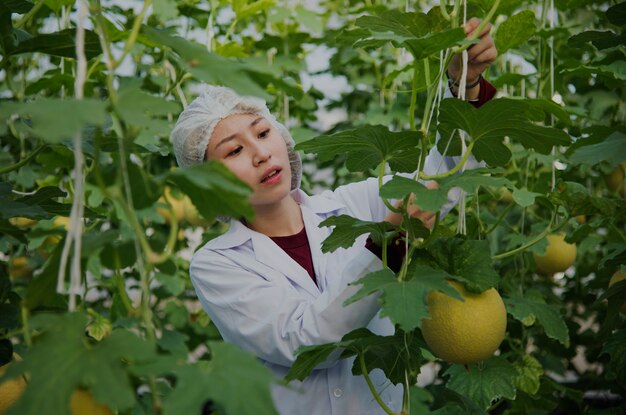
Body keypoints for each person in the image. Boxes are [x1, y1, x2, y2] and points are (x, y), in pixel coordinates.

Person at [171, 17, 497, 415]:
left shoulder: (353, 205)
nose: (260, 153)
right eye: (233, 151)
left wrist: (465, 87)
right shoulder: (215, 265)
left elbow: (444, 174)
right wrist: (390, 242)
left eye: (261, 132)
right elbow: (307, 341)